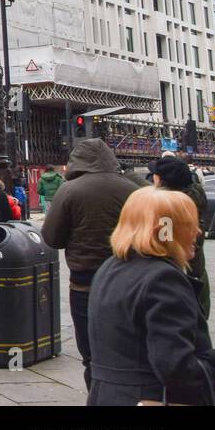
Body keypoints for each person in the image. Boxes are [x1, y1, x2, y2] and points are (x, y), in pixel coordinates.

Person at [87, 186, 215, 405]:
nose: (198, 232)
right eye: (189, 225)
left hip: (107, 395)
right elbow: (176, 366)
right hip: (148, 397)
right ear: (164, 230)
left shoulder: (111, 267)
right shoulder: (163, 278)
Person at [40, 138, 139, 390]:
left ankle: (97, 393)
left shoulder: (70, 189)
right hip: (127, 279)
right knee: (127, 346)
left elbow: (52, 238)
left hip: (85, 282)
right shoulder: (131, 188)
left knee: (91, 353)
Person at [149, 156, 210, 319]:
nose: (153, 177)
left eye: (155, 174)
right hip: (196, 274)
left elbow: (165, 247)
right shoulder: (193, 198)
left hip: (179, 280)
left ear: (163, 181)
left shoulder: (170, 209)